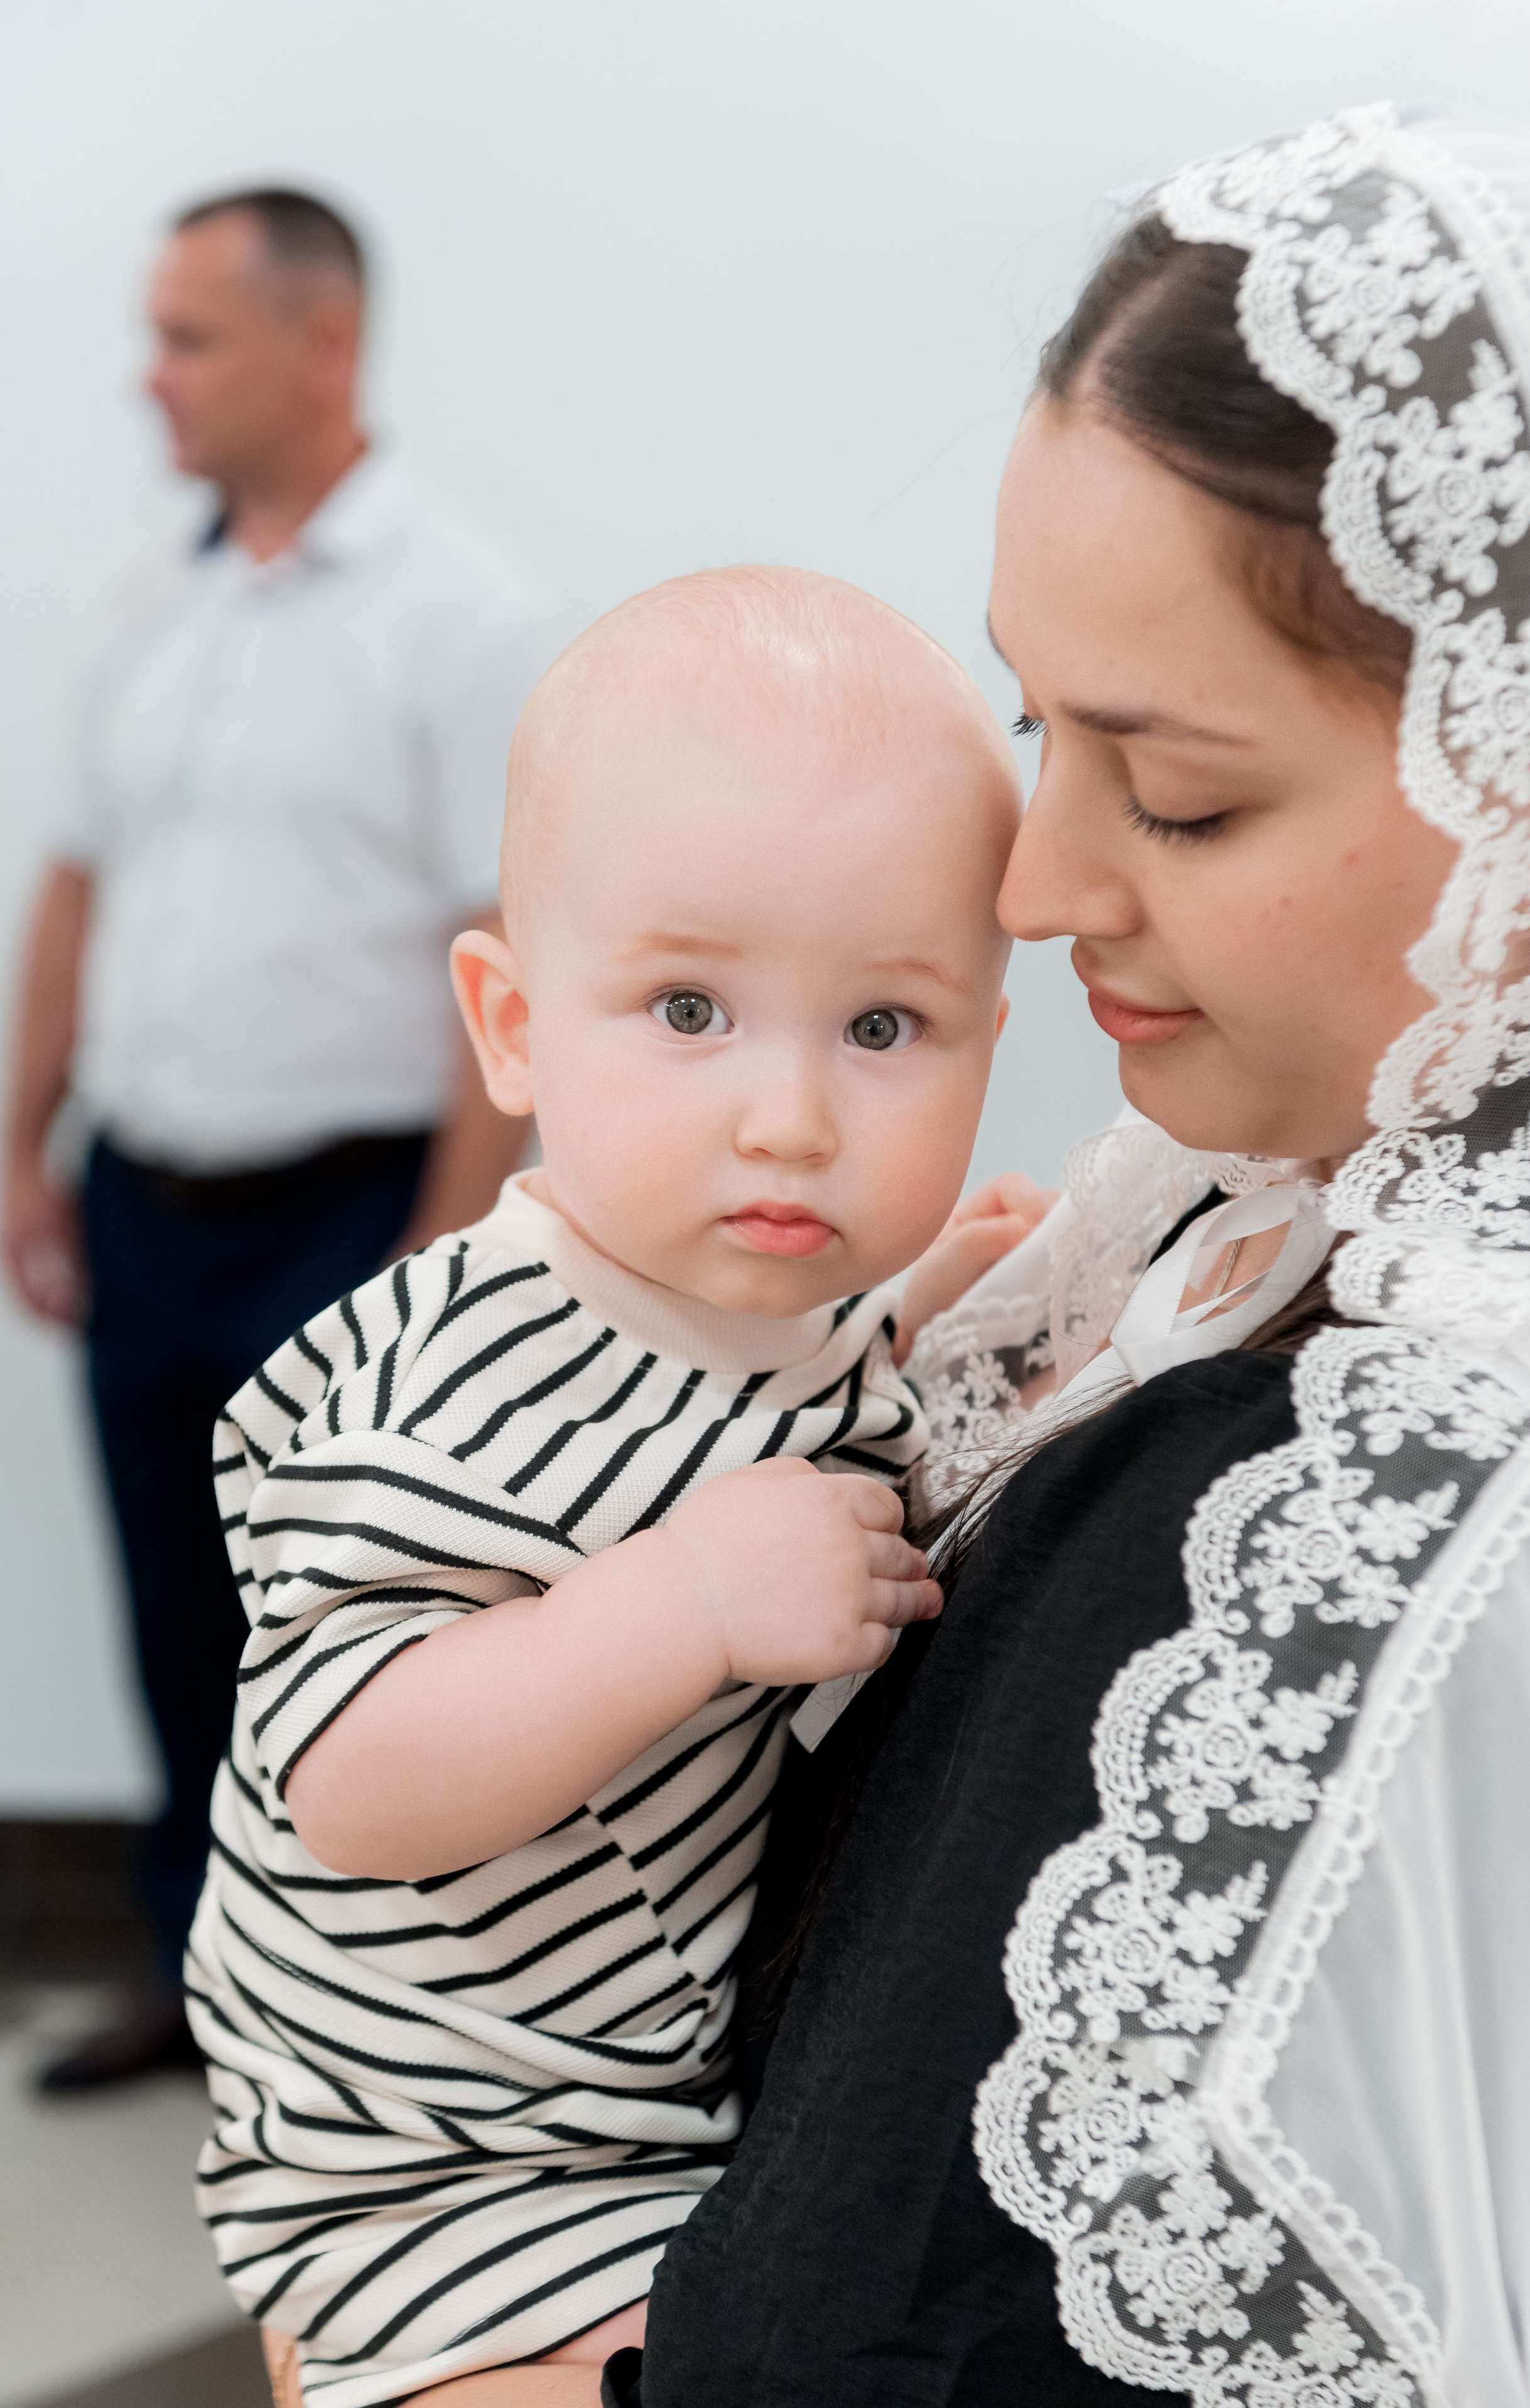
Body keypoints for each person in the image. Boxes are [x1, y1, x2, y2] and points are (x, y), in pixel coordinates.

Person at [543, 106, 1530, 2408]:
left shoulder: (1332, 1511)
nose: (1029, 886)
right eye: (1035, 720)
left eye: (1181, 790)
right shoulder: (1220, 1237)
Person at [183, 566, 1030, 2405]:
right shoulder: (455, 1377)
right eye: (688, 1008)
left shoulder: (752, 1300)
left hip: (638, 2100)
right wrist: (682, 1608)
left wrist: (920, 1309)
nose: (789, 1114)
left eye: (883, 1029)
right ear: (511, 1022)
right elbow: (353, 1774)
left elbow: (744, 1420)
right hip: (438, 2163)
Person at [3, 186, 555, 2091]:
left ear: (322, 345)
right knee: (173, 1604)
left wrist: (442, 1253)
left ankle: (348, 2023)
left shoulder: (460, 617)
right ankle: (192, 1974)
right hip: (140, 1202)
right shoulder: (142, 599)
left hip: (348, 1219)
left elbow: (503, 960)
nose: (149, 377)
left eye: (188, 337)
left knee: (331, 1622)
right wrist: (19, 1147)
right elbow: (75, 882)